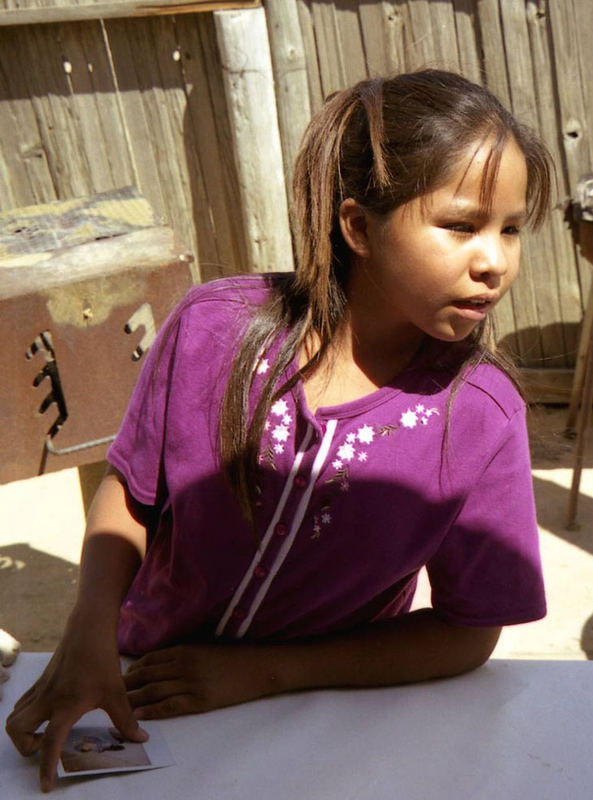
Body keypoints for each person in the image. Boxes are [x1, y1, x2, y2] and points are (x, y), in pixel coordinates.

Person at [6, 68, 552, 792]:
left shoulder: (481, 415)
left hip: (334, 726)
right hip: (145, 688)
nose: (495, 261)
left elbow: (470, 629)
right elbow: (134, 493)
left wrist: (269, 673)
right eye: (460, 225)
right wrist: (89, 630)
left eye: (511, 230)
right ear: (358, 226)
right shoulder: (211, 331)